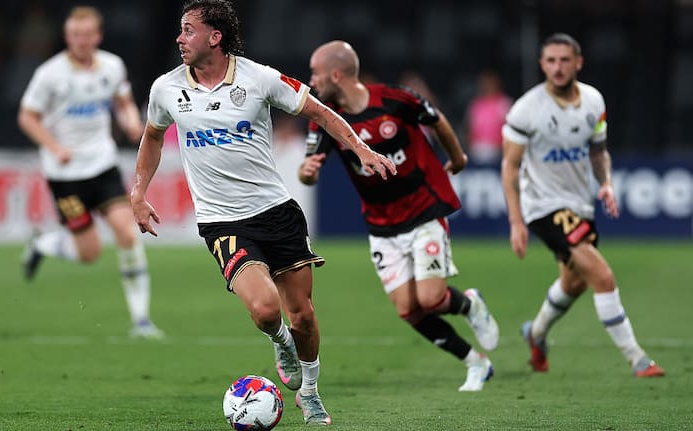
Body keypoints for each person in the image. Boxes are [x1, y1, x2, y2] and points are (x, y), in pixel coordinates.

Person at [130, 0, 396, 425]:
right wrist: (138, 192)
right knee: (267, 311)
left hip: (276, 212)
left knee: (303, 315)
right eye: (180, 30)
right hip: (221, 221)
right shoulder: (166, 89)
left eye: (188, 30)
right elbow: (152, 137)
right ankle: (279, 341)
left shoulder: (259, 78)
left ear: (215, 37)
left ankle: (309, 390)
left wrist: (361, 148)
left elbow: (321, 112)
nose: (179, 38)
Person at [299, 40, 499, 392]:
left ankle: (468, 304)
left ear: (336, 73)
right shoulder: (326, 117)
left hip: (423, 211)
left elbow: (437, 120)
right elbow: (308, 171)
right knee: (409, 309)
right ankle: (475, 362)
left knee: (432, 299)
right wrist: (309, 171)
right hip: (381, 225)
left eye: (315, 72)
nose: (311, 79)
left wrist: (458, 156)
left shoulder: (396, 99)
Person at [500, 33, 664, 378]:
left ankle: (537, 332)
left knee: (574, 283)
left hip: (580, 204)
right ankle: (637, 359)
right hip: (543, 206)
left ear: (578, 62)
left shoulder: (593, 101)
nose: (557, 68)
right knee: (602, 276)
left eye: (564, 60)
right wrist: (516, 221)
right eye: (551, 61)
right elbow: (510, 166)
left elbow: (598, 149)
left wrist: (605, 183)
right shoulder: (526, 110)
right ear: (541, 64)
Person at [18, 6, 163, 339]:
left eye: (87, 35)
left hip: (102, 165)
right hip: (64, 175)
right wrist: (55, 148)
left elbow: (122, 100)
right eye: (74, 35)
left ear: (97, 36)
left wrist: (128, 120)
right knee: (90, 253)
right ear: (67, 37)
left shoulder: (112, 66)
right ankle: (42, 244)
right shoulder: (49, 74)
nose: (81, 41)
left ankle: (141, 321)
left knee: (127, 234)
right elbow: (27, 117)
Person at [465, 69, 511, 165]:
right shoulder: (476, 104)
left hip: (497, 153)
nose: (487, 86)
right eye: (484, 83)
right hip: (476, 151)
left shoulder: (503, 103)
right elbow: (469, 129)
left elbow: (510, 130)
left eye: (490, 83)